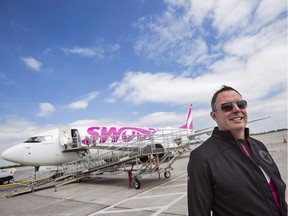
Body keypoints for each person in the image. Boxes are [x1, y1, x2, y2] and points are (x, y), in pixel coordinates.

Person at [187, 85, 287, 216]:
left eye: (241, 104)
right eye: (227, 107)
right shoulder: (201, 157)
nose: (236, 109)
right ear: (214, 116)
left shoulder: (259, 146)